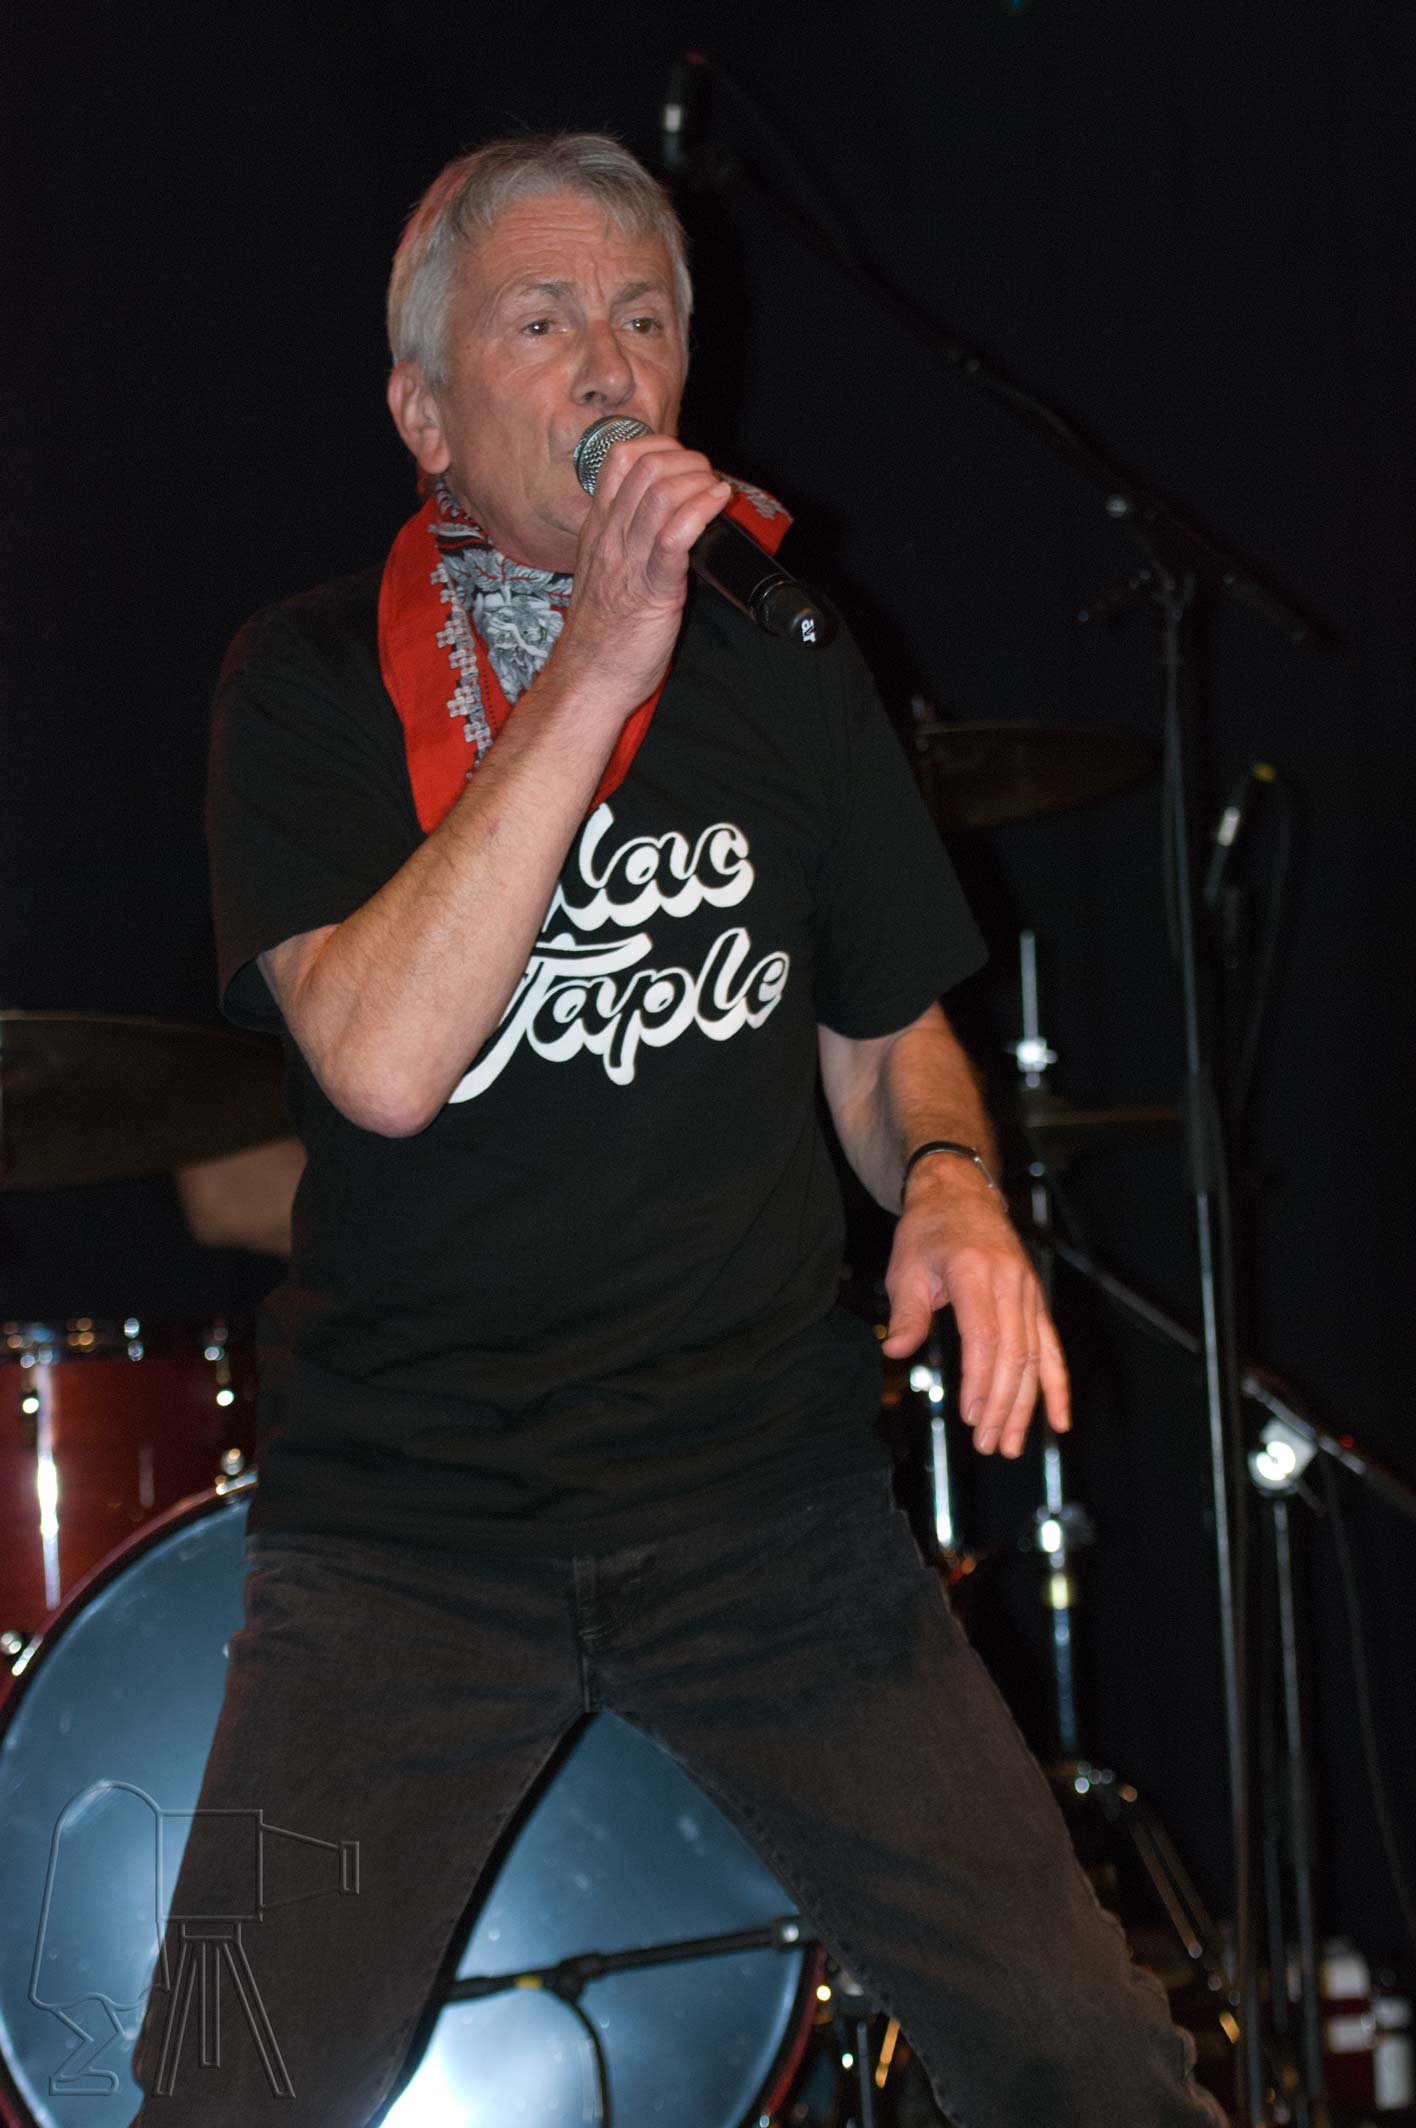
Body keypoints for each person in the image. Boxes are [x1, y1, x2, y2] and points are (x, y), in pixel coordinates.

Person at [130, 133, 1224, 2125]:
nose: (609, 365)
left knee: (1086, 2054)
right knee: (228, 2090)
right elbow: (377, 1060)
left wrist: (952, 1182)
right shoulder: (299, 681)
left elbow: (886, 1029)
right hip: (411, 1522)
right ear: (423, 412)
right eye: (544, 321)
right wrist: (601, 664)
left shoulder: (787, 652)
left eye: (645, 319)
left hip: (761, 1501)